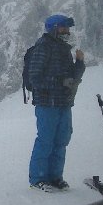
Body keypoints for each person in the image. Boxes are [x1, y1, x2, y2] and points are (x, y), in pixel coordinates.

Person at [26, 14, 85, 192]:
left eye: (68, 28)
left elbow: (73, 76)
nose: (67, 31)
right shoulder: (43, 46)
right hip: (46, 103)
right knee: (46, 140)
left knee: (62, 140)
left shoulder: (64, 48)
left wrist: (79, 63)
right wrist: (60, 82)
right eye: (64, 27)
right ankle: (38, 179)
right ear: (54, 28)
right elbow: (35, 78)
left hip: (63, 102)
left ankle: (55, 177)